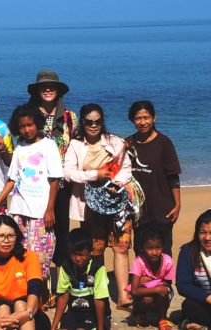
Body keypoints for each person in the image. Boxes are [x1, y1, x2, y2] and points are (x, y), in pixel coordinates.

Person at [63, 103, 134, 311]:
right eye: (88, 122)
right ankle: (99, 293)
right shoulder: (75, 146)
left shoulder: (115, 142)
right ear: (82, 123)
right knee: (95, 250)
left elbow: (126, 168)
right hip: (89, 206)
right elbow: (68, 173)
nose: (93, 125)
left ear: (102, 121)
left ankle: (123, 295)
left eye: (97, 121)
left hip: (117, 203)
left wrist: (117, 183)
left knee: (121, 247)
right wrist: (95, 175)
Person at [0, 103, 62, 281]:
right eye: (22, 126)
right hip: (18, 210)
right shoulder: (20, 147)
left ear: (37, 123)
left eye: (30, 124)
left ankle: (40, 293)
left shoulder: (49, 146)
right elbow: (12, 178)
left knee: (40, 255)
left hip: (40, 212)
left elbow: (55, 179)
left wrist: (50, 209)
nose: (26, 129)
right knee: (19, 252)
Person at [26, 70, 79, 266]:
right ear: (37, 90)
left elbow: (77, 146)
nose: (48, 89)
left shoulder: (69, 117)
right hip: (34, 185)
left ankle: (61, 284)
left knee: (61, 232)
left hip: (62, 185)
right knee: (36, 232)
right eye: (43, 86)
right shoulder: (29, 116)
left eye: (52, 86)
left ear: (58, 90)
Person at [126, 101, 181, 257]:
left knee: (163, 250)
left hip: (162, 207)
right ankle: (143, 281)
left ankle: (164, 282)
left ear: (154, 118)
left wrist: (177, 204)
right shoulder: (128, 143)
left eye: (146, 117)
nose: (143, 122)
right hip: (138, 208)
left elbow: (173, 176)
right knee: (141, 249)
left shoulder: (164, 143)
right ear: (132, 120)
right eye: (138, 118)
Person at [0, 215, 42, 330]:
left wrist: (27, 313)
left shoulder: (29, 257)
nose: (6, 240)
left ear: (17, 237)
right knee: (2, 309)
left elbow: (35, 289)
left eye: (10, 236)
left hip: (30, 312)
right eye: (0, 236)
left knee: (21, 305)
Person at [51, 228, 111, 330]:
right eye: (73, 254)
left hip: (93, 313)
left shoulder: (98, 269)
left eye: (81, 254)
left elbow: (99, 299)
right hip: (74, 312)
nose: (77, 259)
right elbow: (63, 297)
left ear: (90, 251)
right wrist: (53, 326)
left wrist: (100, 328)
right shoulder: (66, 267)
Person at [127, 228, 175, 329]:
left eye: (158, 248)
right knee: (147, 299)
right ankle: (140, 313)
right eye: (149, 248)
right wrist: (156, 288)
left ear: (163, 246)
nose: (154, 252)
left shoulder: (168, 262)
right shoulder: (139, 262)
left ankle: (162, 318)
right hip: (145, 294)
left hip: (159, 292)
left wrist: (148, 282)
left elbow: (167, 285)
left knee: (164, 292)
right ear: (142, 248)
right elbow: (134, 291)